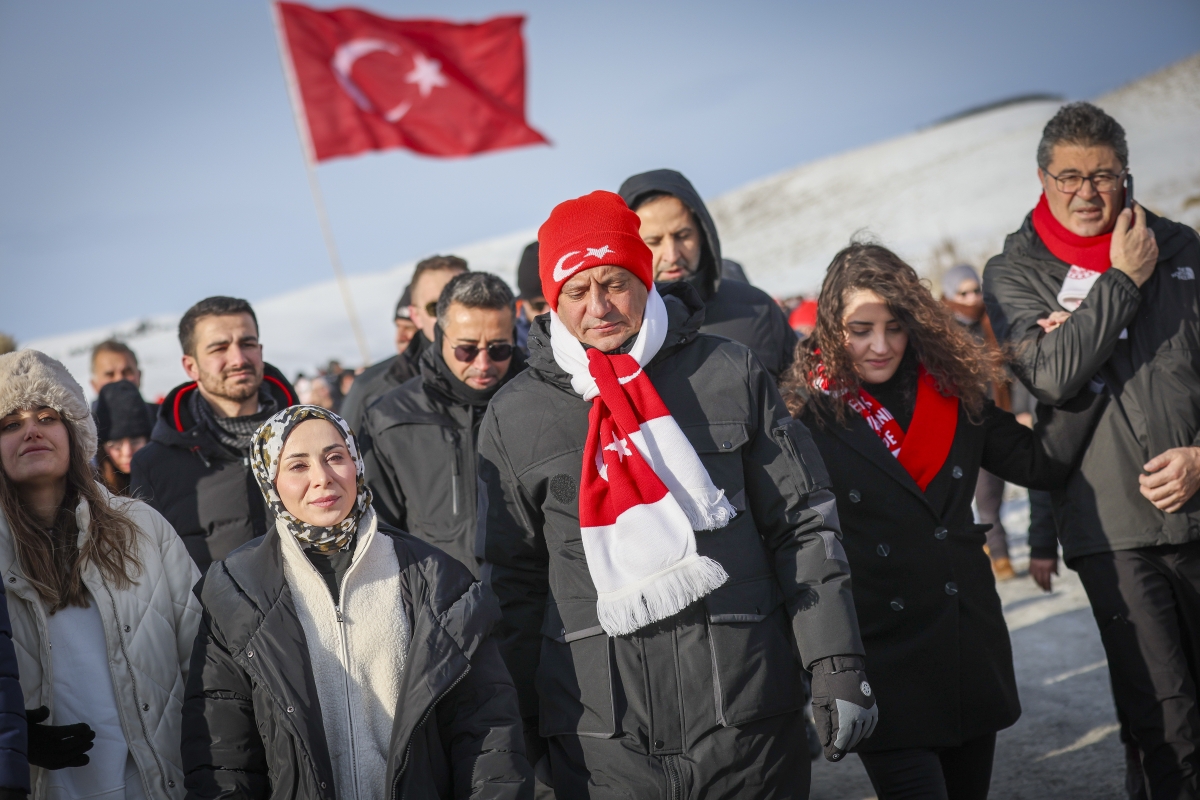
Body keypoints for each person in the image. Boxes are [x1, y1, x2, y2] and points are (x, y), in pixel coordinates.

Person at [479, 191, 875, 799]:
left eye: (614, 282)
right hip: (601, 739)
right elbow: (513, 586)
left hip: (746, 718)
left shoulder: (728, 373)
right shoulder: (516, 414)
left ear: (644, 277)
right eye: (577, 292)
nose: (599, 307)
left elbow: (801, 524)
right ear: (553, 302)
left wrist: (835, 665)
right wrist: (524, 730)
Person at [782, 243, 1078, 800]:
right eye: (860, 328)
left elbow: (1041, 463)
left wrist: (1077, 362)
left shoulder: (951, 390)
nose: (880, 345)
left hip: (965, 639)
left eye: (895, 327)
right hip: (883, 652)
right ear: (829, 325)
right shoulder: (804, 414)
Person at [984, 101, 1200, 800]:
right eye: (1069, 176)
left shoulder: (1182, 249)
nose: (1087, 192)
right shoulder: (1013, 272)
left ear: (1126, 177)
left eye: (1104, 176)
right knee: (1169, 721)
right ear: (1042, 177)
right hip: (1113, 530)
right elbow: (1051, 373)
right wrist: (1124, 281)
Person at [181, 405, 533, 799]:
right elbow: (224, 756)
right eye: (297, 466)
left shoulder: (437, 578)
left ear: (357, 463)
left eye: (335, 457)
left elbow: (488, 735)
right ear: (270, 481)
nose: (323, 478)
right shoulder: (238, 591)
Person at [0, 349, 202, 799]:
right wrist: (14, 740)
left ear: (73, 432)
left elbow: (204, 658)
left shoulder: (142, 528)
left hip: (159, 782)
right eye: (10, 424)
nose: (30, 429)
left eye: (47, 416)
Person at [361, 272, 525, 577]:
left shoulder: (537, 401)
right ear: (440, 335)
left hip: (536, 610)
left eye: (499, 348)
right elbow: (377, 536)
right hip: (442, 611)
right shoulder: (390, 419)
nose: (483, 363)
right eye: (467, 349)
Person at [130, 296, 296, 573]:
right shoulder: (154, 466)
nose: (238, 359)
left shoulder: (312, 437)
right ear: (191, 366)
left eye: (247, 344)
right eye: (219, 348)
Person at [618, 169, 797, 380]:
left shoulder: (758, 310)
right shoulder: (614, 327)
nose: (672, 255)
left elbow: (803, 398)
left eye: (683, 236)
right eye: (654, 242)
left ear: (703, 233)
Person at [939, 264, 1017, 580]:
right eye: (963, 293)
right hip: (958, 426)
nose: (972, 298)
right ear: (949, 295)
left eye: (975, 291)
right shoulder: (939, 331)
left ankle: (999, 554)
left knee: (990, 497)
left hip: (994, 420)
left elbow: (1013, 369)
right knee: (964, 499)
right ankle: (990, 553)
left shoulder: (993, 320)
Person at [340, 257, 468, 436]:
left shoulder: (503, 368)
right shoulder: (370, 389)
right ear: (417, 315)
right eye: (435, 308)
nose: (400, 337)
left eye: (458, 304)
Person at [94, 380, 153, 496]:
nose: (127, 452)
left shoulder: (166, 479)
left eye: (135, 441)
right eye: (116, 445)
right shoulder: (92, 491)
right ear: (101, 447)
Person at [514, 242, 545, 353]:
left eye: (555, 303)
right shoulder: (507, 334)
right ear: (522, 302)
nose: (548, 312)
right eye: (539, 305)